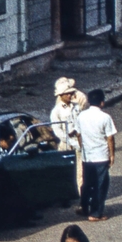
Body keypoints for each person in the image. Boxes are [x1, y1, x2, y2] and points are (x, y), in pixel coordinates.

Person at [76, 88, 116, 221]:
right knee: (100, 185)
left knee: (87, 183)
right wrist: (112, 155)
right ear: (102, 103)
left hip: (87, 156)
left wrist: (83, 147)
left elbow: (78, 134)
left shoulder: (81, 116)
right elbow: (110, 138)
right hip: (101, 155)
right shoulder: (105, 117)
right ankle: (95, 213)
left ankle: (84, 207)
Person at [51, 77, 84, 209]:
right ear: (61, 95)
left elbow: (81, 122)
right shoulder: (57, 111)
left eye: (71, 93)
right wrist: (68, 138)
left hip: (78, 143)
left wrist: (77, 132)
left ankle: (82, 197)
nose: (71, 95)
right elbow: (57, 130)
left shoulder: (77, 107)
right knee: (66, 173)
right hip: (65, 145)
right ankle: (64, 197)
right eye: (68, 93)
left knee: (81, 172)